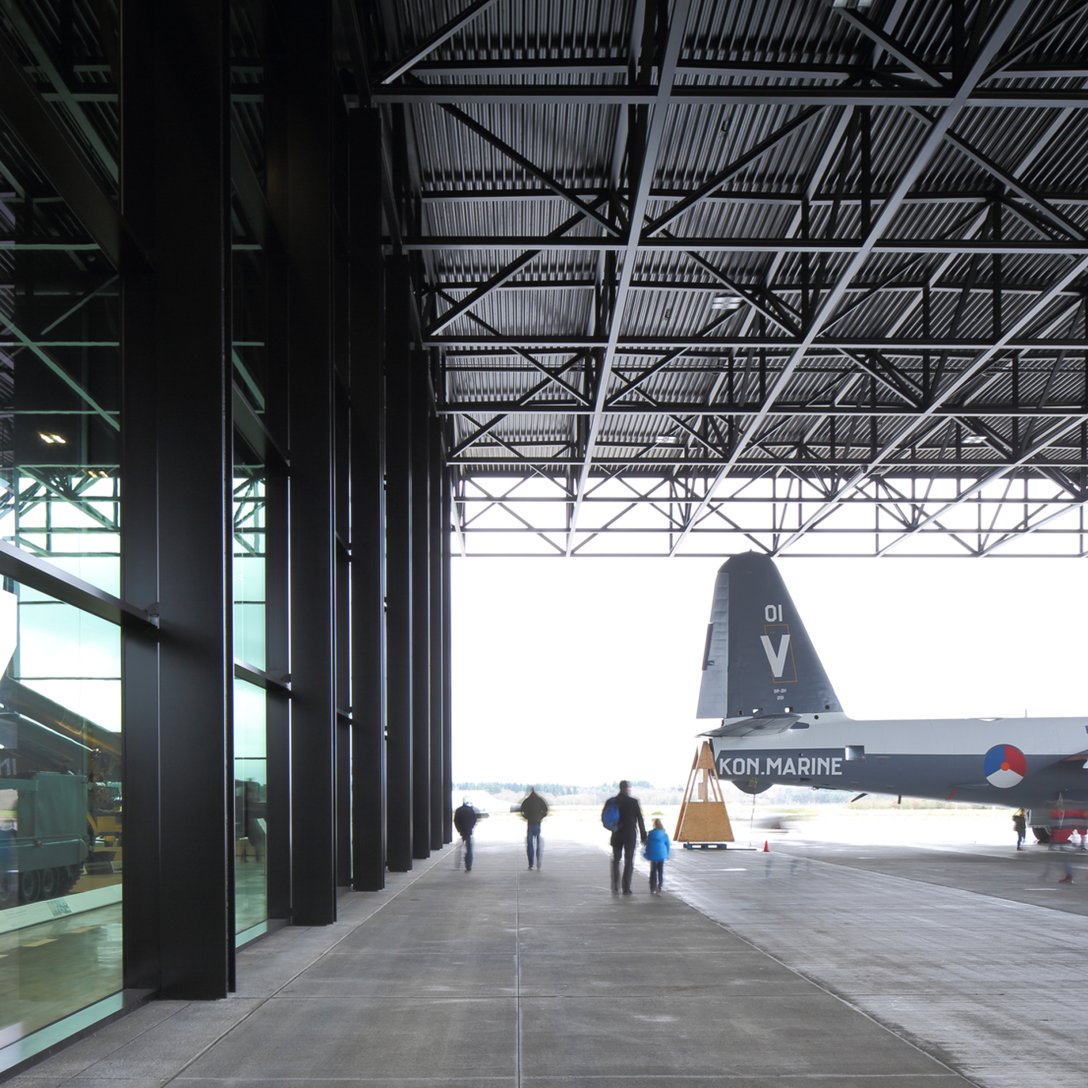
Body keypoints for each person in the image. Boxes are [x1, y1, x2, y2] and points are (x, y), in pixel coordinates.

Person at [604, 780, 646, 895]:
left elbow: (604, 819)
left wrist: (613, 828)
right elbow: (640, 819)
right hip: (629, 836)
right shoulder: (633, 802)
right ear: (627, 788)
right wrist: (643, 836)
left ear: (619, 788)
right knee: (629, 861)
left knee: (616, 860)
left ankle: (615, 886)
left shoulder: (612, 801)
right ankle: (626, 888)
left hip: (616, 835)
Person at [519, 787, 549, 870]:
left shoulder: (527, 800)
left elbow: (521, 811)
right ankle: (538, 861)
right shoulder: (540, 800)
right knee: (538, 844)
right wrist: (540, 817)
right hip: (537, 824)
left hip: (530, 824)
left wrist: (526, 817)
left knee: (530, 845)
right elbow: (546, 810)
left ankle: (531, 864)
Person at [644, 817, 670, 895]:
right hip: (661, 855)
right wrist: (667, 853)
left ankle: (652, 888)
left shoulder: (650, 834)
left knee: (653, 871)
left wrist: (647, 853)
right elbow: (667, 845)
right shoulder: (664, 834)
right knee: (660, 871)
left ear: (654, 825)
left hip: (653, 855)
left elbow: (647, 844)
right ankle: (660, 887)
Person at [453, 798, 478, 872]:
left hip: (462, 831)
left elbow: (456, 821)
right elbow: (474, 820)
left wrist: (459, 830)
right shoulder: (471, 810)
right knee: (469, 849)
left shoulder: (458, 810)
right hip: (468, 831)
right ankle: (468, 865)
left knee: (459, 847)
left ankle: (458, 864)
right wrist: (471, 827)